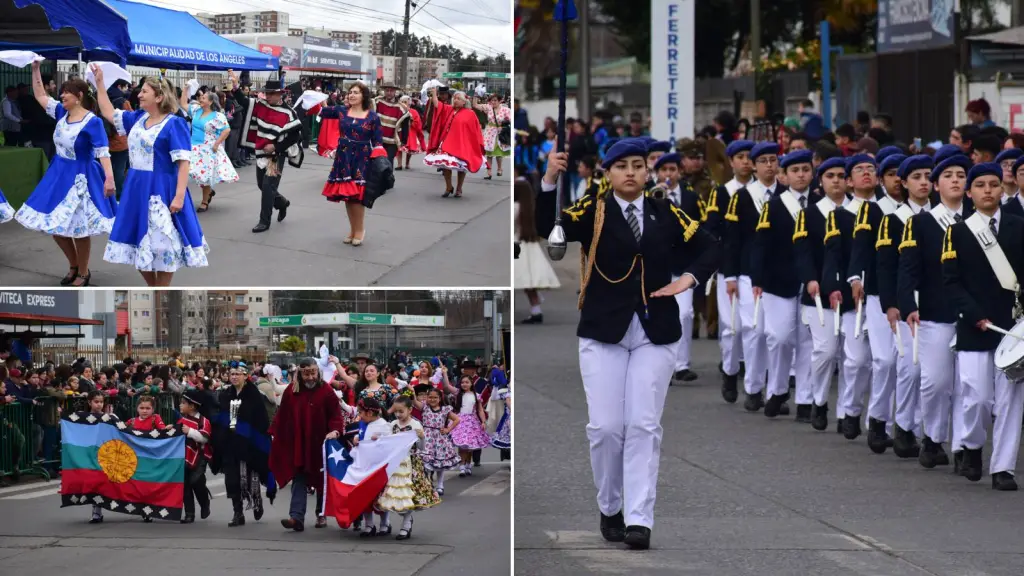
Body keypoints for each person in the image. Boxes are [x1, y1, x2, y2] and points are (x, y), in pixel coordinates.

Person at [543, 140, 719, 550]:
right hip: (604, 329)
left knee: (643, 425)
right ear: (607, 173)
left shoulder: (664, 211)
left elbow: (710, 245)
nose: (630, 172)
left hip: (655, 330)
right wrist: (551, 177)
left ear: (647, 172)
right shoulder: (594, 208)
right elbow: (548, 228)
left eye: (638, 166)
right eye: (621, 166)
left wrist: (688, 279)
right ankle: (611, 505)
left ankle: (640, 518)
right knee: (606, 428)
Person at [942, 162, 1024, 490]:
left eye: (993, 184)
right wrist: (973, 313)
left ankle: (1003, 467)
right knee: (976, 398)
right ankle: (972, 446)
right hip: (974, 325)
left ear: (1002, 190)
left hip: (1014, 325)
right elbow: (951, 281)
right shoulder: (959, 231)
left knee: (1010, 400)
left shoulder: (1019, 226)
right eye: (981, 185)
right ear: (970, 192)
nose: (988, 190)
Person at [92, 65, 208, 287]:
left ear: (159, 96)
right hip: (136, 188)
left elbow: (184, 163)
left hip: (161, 188)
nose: (139, 94)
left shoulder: (174, 123)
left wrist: (180, 196)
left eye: (145, 91)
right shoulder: (136, 118)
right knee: (137, 242)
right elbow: (107, 111)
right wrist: (99, 83)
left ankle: (161, 290)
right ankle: (154, 288)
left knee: (164, 244)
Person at [899, 152, 973, 470]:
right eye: (948, 175)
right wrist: (907, 305)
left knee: (968, 384)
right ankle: (932, 436)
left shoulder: (978, 220)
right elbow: (908, 269)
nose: (956, 180)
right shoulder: (921, 223)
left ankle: (964, 447)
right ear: (936, 185)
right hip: (933, 310)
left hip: (973, 313)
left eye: (961, 175)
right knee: (936, 381)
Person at [14, 60, 116, 287]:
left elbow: (103, 152)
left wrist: (109, 179)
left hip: (82, 176)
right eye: (61, 94)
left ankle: (83, 270)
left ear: (79, 96)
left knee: (79, 228)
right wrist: (35, 70)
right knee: (55, 225)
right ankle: (73, 265)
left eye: (66, 94)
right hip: (58, 175)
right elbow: (41, 96)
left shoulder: (93, 122)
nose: (61, 98)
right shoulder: (61, 112)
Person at [751, 149, 818, 419]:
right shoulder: (774, 206)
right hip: (777, 281)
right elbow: (760, 245)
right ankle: (778, 389)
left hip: (811, 282)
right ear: (784, 175)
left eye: (805, 170)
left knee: (807, 342)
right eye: (795, 170)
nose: (801, 175)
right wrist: (757, 279)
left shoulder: (818, 204)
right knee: (779, 338)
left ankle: (804, 399)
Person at [724, 142, 786, 412]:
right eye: (763, 161)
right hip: (749, 272)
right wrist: (730, 274)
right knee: (755, 331)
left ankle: (775, 391)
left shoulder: (786, 195)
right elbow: (731, 239)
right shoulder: (743, 196)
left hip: (780, 274)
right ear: (755, 165)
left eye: (773, 160)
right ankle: (752, 387)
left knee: (776, 335)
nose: (769, 165)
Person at [793, 156, 851, 430]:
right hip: (818, 294)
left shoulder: (859, 212)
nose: (837, 180)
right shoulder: (809, 214)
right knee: (825, 351)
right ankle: (818, 400)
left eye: (841, 175)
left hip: (851, 297)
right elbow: (802, 252)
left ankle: (845, 413)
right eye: (830, 176)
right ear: (821, 181)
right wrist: (810, 279)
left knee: (851, 358)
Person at [270, 357, 345, 532]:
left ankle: (321, 513)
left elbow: (336, 415)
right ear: (300, 374)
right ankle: (296, 517)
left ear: (317, 372)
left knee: (321, 479)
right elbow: (283, 415)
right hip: (299, 442)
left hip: (321, 441)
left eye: (313, 373)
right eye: (306, 374)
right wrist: (275, 432)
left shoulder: (326, 391)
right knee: (299, 477)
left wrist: (335, 431)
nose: (310, 377)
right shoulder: (292, 391)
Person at [704, 140, 754, 402]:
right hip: (729, 267)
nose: (746, 161)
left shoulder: (762, 193)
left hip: (756, 267)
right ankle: (730, 370)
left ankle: (754, 379)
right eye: (740, 157)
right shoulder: (722, 193)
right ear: (731, 162)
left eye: (749, 156)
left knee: (753, 327)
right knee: (731, 327)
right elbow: (711, 229)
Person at [311, 82, 383, 247]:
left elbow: (378, 142)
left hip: (362, 158)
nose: (351, 95)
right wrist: (314, 97)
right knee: (348, 197)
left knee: (357, 197)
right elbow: (320, 111)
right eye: (350, 92)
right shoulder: (342, 111)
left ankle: (360, 230)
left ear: (363, 96)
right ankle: (352, 230)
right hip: (344, 157)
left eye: (356, 92)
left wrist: (378, 160)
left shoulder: (373, 117)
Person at [651, 152, 702, 383]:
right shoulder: (650, 195)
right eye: (664, 170)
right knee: (659, 316)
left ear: (679, 173)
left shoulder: (691, 197)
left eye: (673, 170)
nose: (669, 174)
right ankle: (662, 365)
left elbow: (701, 227)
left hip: (683, 264)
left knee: (685, 314)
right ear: (657, 173)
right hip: (658, 265)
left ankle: (681, 364)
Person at [233, 71, 303, 233]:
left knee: (267, 186)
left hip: (276, 156)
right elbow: (243, 101)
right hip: (261, 152)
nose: (268, 96)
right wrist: (236, 86)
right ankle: (282, 203)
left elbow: (295, 136)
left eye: (271, 93)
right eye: (267, 93)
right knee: (261, 185)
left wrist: (276, 148)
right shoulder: (261, 105)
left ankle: (264, 221)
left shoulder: (288, 113)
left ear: (280, 94)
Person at [211, 365, 273, 527]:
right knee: (232, 479)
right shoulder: (225, 395)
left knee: (250, 477)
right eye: (231, 374)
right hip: (230, 443)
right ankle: (237, 512)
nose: (234, 377)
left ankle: (257, 501)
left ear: (245, 376)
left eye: (238, 374)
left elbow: (261, 420)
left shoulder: (254, 395)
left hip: (249, 444)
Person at [377, 396, 440, 540]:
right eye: (396, 411)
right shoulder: (393, 424)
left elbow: (421, 448)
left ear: (410, 410)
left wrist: (422, 437)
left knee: (408, 494)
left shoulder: (416, 425)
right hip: (394, 464)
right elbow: (387, 442)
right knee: (391, 494)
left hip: (410, 464)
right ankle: (386, 523)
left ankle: (406, 524)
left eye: (401, 411)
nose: (398, 414)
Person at [180, 87, 237, 212]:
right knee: (188, 172)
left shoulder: (218, 116)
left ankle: (205, 201)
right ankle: (191, 196)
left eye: (204, 98)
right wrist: (185, 89)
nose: (201, 98)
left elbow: (226, 130)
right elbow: (183, 103)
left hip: (207, 149)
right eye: (201, 97)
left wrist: (217, 143)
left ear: (210, 102)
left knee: (204, 176)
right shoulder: (196, 111)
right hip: (193, 147)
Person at [514, 179, 561, 323]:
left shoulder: (514, 208)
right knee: (530, 282)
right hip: (530, 245)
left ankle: (532, 309)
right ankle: (536, 309)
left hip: (516, 244)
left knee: (521, 280)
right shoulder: (530, 207)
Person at [424, 88, 484, 198]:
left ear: (464, 101)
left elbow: (474, 131)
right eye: (454, 98)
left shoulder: (470, 114)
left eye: (458, 99)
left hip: (462, 144)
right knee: (445, 165)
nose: (455, 100)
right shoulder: (449, 109)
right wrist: (433, 94)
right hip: (447, 142)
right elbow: (437, 105)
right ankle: (448, 186)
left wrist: (474, 144)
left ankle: (459, 188)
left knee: (462, 167)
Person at [178, 390, 213, 523]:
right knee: (185, 485)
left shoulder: (203, 421)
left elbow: (204, 438)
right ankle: (189, 514)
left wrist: (190, 431)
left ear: (192, 406)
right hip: (184, 456)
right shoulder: (182, 419)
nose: (180, 405)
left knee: (196, 481)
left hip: (200, 456)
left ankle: (205, 503)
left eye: (183, 403)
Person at [473, 94, 511, 179]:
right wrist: (475, 96)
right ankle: (489, 172)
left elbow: (511, 121)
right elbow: (475, 105)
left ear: (500, 101)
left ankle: (499, 168)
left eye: (495, 100)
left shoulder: (505, 110)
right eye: (492, 100)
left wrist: (503, 126)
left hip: (499, 133)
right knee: (489, 154)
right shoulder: (488, 107)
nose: (493, 102)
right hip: (489, 132)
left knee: (498, 153)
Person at [372, 84, 407, 167]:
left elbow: (405, 125)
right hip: (377, 139)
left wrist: (403, 141)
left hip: (392, 141)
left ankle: (388, 180)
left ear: (395, 92)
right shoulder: (377, 101)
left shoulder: (401, 107)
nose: (389, 93)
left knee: (388, 163)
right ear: (384, 91)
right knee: (376, 163)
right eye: (387, 90)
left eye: (391, 91)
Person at [398, 95, 425, 170]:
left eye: (407, 102)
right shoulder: (398, 110)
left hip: (410, 132)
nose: (406, 104)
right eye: (404, 102)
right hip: (400, 131)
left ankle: (407, 163)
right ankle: (399, 164)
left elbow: (418, 123)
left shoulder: (414, 111)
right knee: (399, 148)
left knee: (410, 150)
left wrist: (412, 121)